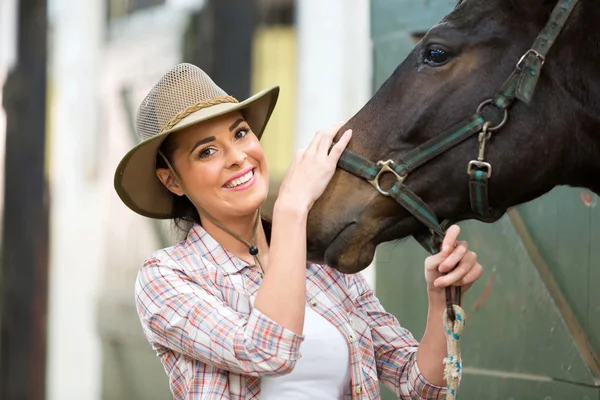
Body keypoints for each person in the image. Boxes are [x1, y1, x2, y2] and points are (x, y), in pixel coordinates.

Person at [114, 63, 483, 400]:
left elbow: (420, 387)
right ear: (171, 180)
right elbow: (266, 351)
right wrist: (292, 208)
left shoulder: (322, 266)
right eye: (206, 152)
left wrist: (439, 305)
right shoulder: (167, 277)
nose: (238, 156)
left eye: (240, 133)